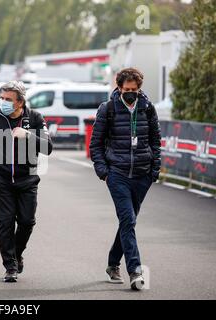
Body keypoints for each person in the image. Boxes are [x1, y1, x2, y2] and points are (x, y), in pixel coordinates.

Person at [89, 68, 161, 291]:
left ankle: (112, 264)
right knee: (128, 220)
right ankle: (135, 271)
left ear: (139, 88)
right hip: (117, 174)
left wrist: (154, 170)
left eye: (134, 89)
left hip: (142, 175)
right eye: (126, 89)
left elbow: (156, 141)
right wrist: (104, 171)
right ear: (119, 87)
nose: (130, 93)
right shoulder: (108, 109)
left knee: (127, 222)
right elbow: (96, 144)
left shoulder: (148, 109)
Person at [0, 80, 53, 282]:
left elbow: (48, 148)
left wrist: (27, 135)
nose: (3, 103)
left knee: (27, 221)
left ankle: (17, 254)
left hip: (28, 180)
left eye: (8, 99)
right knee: (6, 222)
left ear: (20, 102)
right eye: (2, 98)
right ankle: (10, 266)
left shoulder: (35, 118)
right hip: (1, 180)